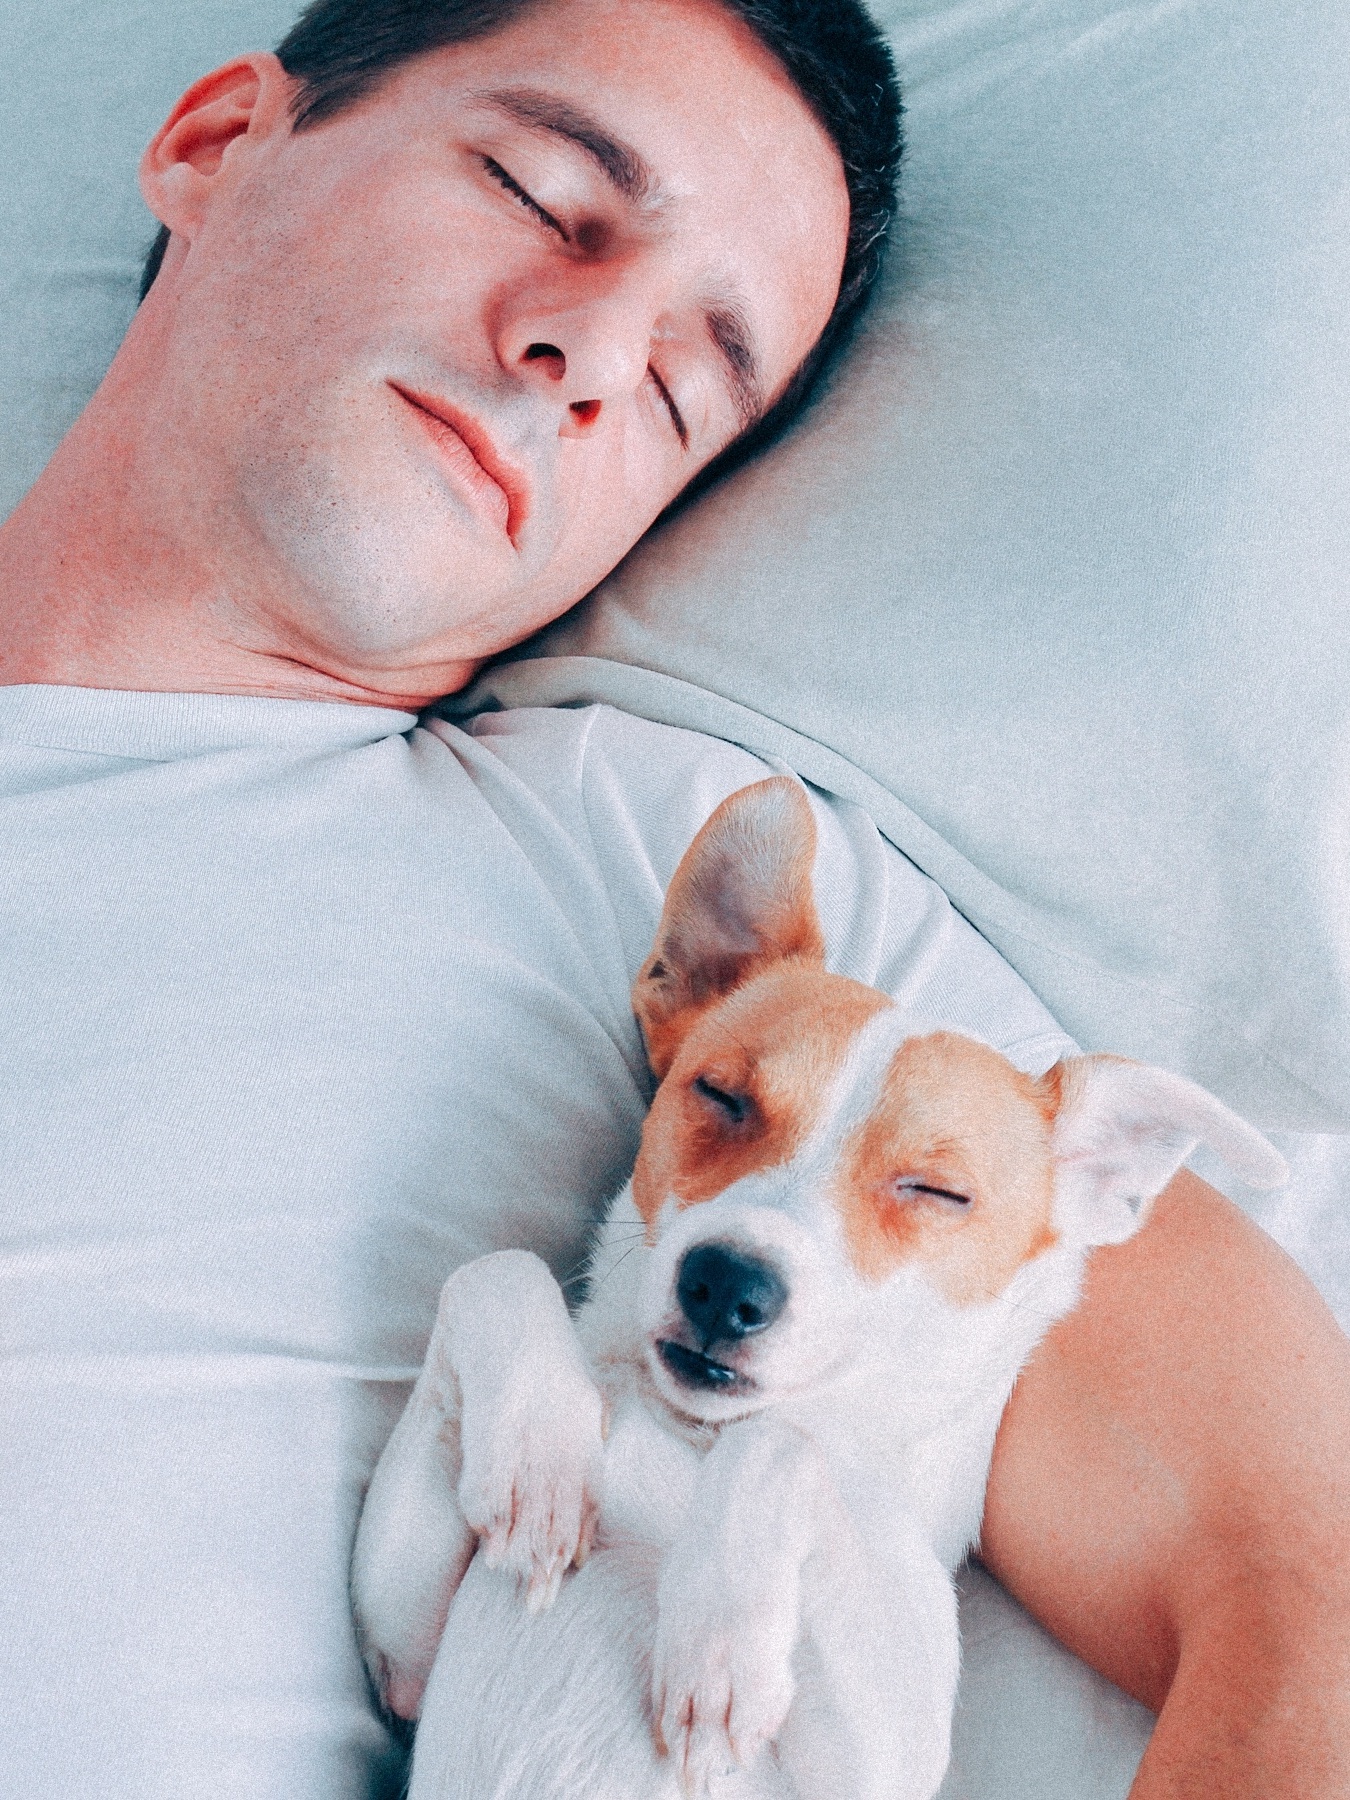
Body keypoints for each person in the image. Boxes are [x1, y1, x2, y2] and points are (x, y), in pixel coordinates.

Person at [0, 1, 1346, 1796]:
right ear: (212, 145)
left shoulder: (669, 874)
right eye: (540, 191)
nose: (588, 346)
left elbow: (1294, 1578)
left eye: (684, 385)